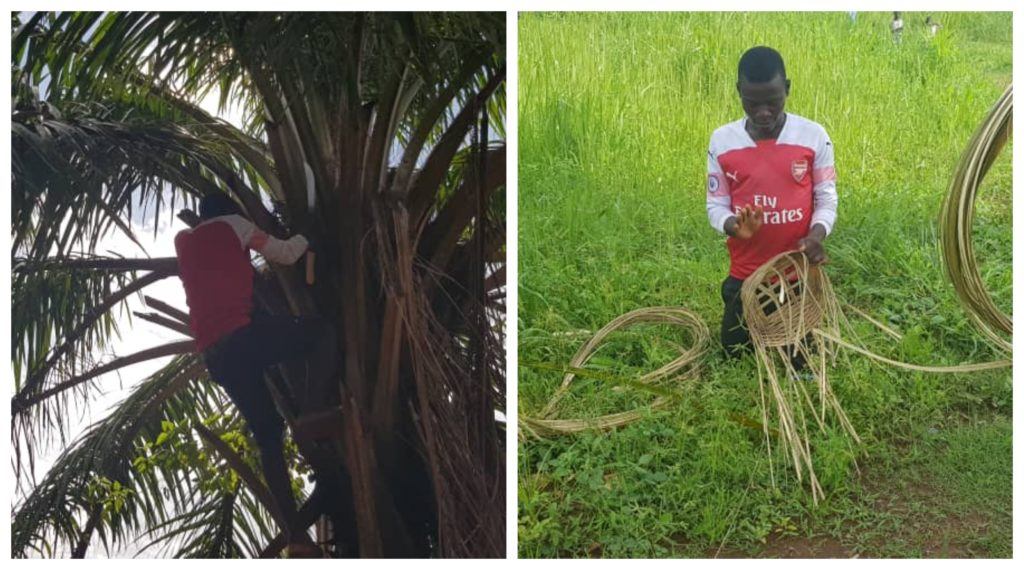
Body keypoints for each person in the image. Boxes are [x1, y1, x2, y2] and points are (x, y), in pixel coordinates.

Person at [174, 192, 335, 557]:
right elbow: (288, 254)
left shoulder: (184, 242)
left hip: (215, 356)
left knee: (268, 435)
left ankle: (295, 534)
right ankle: (311, 413)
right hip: (244, 339)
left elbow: (217, 273)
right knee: (322, 334)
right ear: (231, 212)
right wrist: (306, 234)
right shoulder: (236, 225)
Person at [705, 46, 838, 365]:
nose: (763, 112)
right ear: (738, 92)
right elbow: (715, 205)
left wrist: (816, 235)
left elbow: (826, 197)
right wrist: (734, 226)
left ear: (787, 89)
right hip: (746, 276)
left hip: (795, 278)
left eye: (773, 101)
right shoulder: (722, 141)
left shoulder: (813, 136)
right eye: (752, 102)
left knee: (802, 362)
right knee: (734, 356)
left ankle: (795, 349)